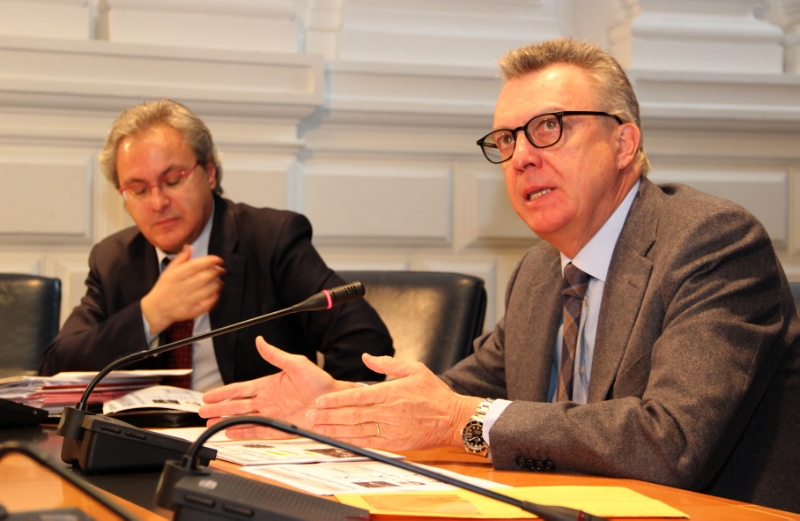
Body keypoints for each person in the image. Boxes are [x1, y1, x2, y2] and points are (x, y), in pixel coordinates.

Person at [198, 39, 800, 512]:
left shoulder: (711, 242)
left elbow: (670, 442)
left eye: (550, 127)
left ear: (624, 143)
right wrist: (334, 404)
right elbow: (448, 396)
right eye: (507, 139)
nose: (522, 156)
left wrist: (460, 421)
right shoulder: (539, 272)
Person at [40, 99, 393, 390]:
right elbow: (56, 367)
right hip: (147, 443)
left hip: (249, 439)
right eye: (139, 190)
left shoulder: (271, 239)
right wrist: (150, 314)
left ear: (208, 173)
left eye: (172, 180)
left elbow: (365, 338)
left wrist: (317, 415)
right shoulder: (113, 259)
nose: (158, 202)